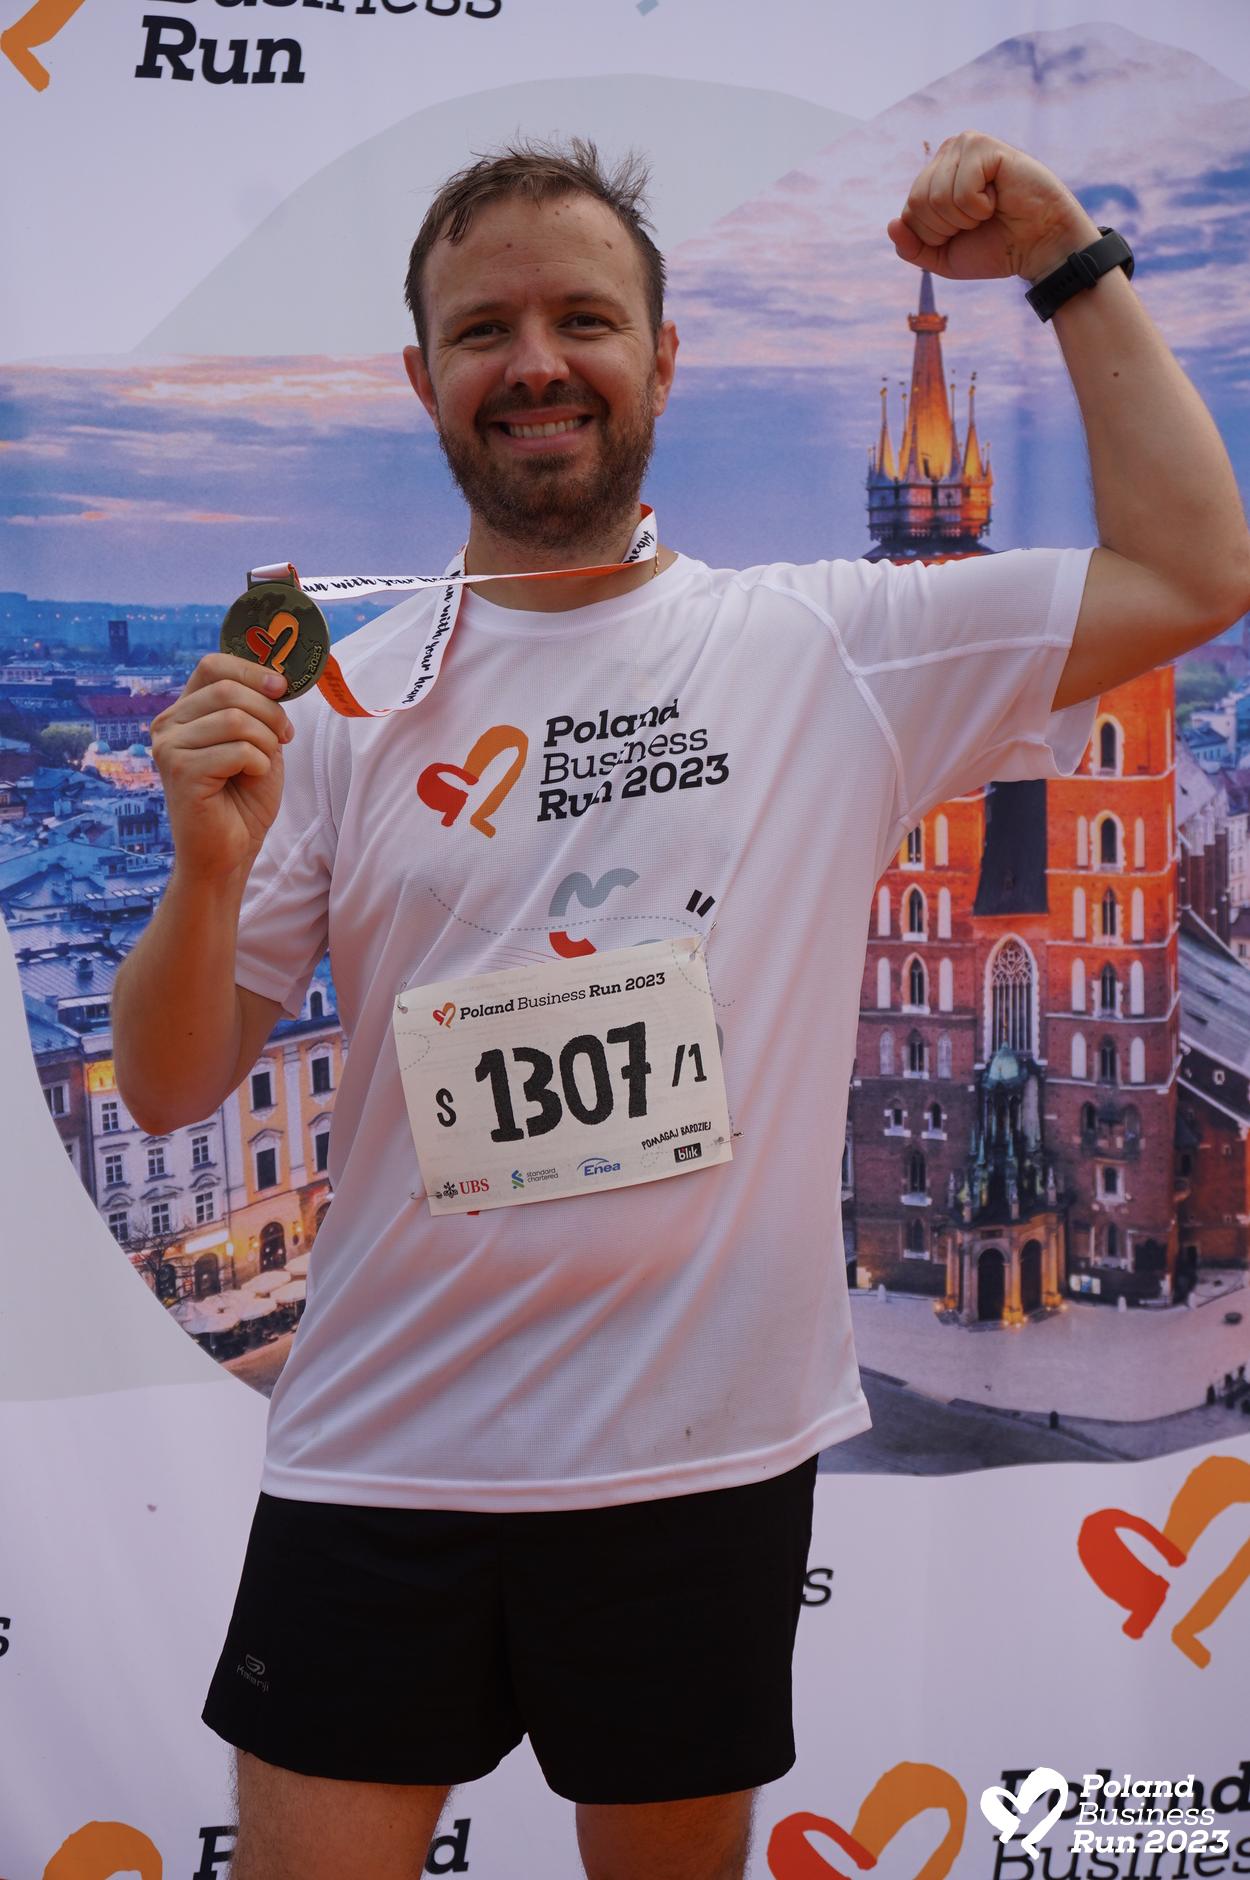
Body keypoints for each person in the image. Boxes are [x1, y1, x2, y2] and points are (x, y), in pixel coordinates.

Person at [112, 133, 1250, 1879]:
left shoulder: (825, 648)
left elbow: (1192, 569)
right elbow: (170, 1086)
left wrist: (1067, 258)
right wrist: (204, 873)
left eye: (584, 319)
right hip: (383, 1450)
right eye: (484, 329)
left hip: (696, 1465)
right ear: (423, 378)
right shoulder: (341, 700)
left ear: (661, 360)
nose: (536, 362)